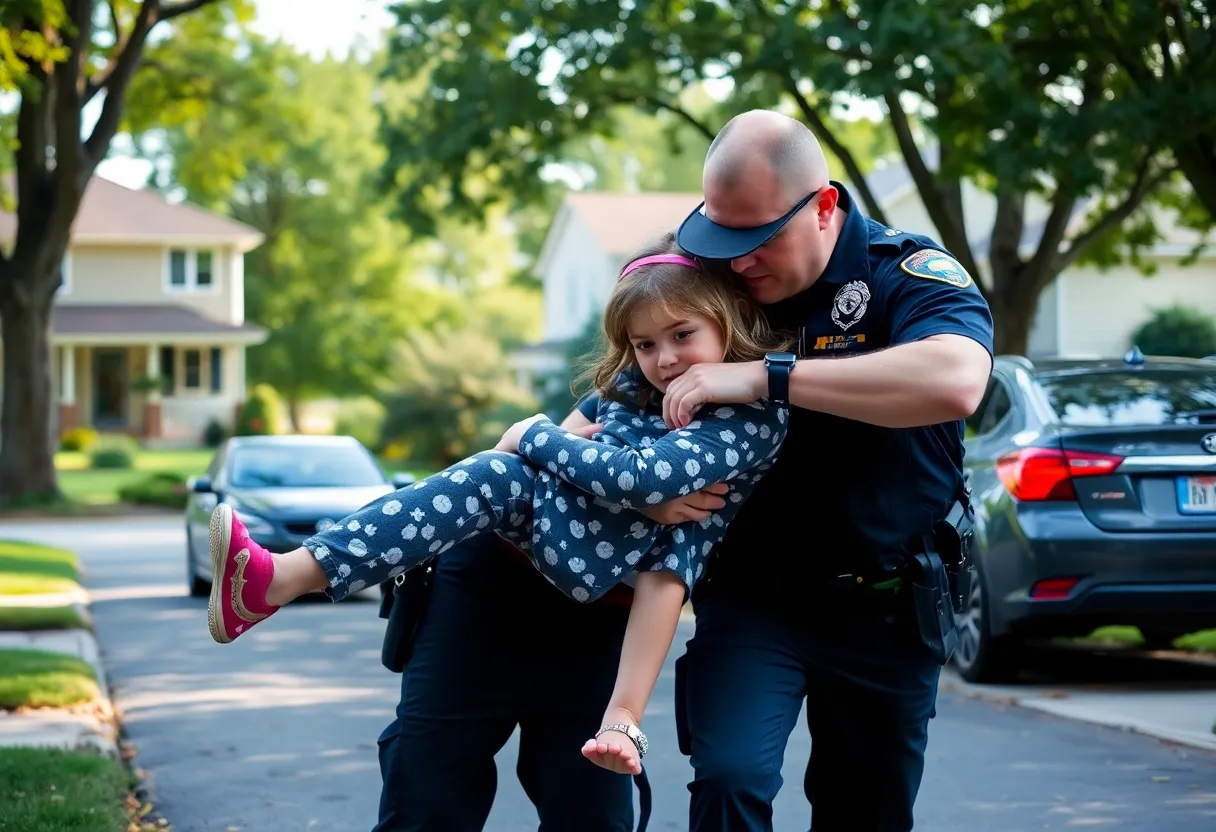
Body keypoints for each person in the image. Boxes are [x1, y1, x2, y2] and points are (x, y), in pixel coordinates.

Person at [206, 232, 791, 782]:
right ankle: (278, 579)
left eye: (682, 335)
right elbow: (603, 471)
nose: (665, 359)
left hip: (626, 567)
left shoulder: (750, 411)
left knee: (626, 548)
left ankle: (624, 717)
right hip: (555, 551)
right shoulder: (632, 388)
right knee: (492, 476)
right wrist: (605, 478)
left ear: (727, 319)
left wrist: (529, 434)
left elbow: (637, 477)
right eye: (644, 344)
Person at [613, 109, 990, 832]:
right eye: (723, 237)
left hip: (887, 603)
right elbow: (618, 397)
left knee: (866, 813)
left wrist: (765, 378)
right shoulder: (716, 284)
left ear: (824, 207)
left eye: (759, 238)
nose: (738, 260)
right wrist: (545, 453)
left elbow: (954, 381)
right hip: (755, 598)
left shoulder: (903, 274)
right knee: (729, 778)